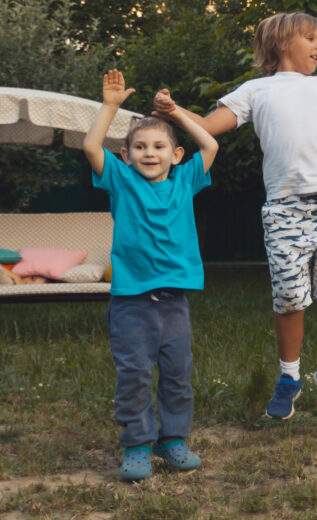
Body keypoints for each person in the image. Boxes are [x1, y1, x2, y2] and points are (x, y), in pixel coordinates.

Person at [154, 12, 317, 420]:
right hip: (284, 209)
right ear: (282, 43)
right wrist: (175, 112)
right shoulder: (255, 90)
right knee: (290, 299)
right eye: (310, 38)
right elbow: (208, 125)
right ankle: (289, 378)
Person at [85, 70, 217, 480]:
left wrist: (175, 113)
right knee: (135, 376)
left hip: (174, 302)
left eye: (159, 146)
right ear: (126, 155)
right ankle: (137, 445)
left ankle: (173, 440)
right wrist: (109, 107)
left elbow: (209, 143)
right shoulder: (121, 181)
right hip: (131, 302)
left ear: (175, 155)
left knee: (177, 374)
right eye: (139, 146)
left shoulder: (185, 180)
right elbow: (92, 146)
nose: (149, 152)